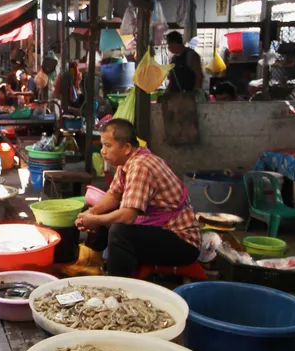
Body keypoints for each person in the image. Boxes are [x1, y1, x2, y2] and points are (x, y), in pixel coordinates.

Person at [75, 118, 201, 277]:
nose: (102, 151)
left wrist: (96, 220)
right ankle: (90, 264)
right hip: (159, 229)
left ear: (126, 147)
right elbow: (113, 195)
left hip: (182, 242)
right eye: (102, 145)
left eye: (107, 145)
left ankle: (117, 288)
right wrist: (91, 213)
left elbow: (127, 217)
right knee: (98, 212)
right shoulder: (126, 162)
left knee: (120, 232)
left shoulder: (140, 166)